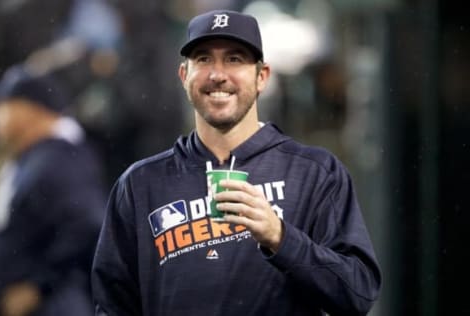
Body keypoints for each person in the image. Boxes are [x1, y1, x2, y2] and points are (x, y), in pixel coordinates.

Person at [91, 10, 382, 316]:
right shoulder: (140, 184)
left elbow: (358, 293)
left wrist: (281, 238)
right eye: (203, 59)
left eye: (235, 59)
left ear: (262, 77)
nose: (218, 74)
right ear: (183, 76)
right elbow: (112, 307)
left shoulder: (315, 173)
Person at [0, 65, 106, 316]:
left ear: (28, 110)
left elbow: (87, 226)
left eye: (2, 104)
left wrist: (38, 286)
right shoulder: (35, 158)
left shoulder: (58, 160)